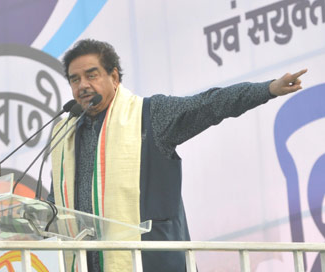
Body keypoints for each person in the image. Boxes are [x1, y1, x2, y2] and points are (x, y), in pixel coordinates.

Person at [47, 39, 307, 272]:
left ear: (114, 77)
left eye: (91, 75)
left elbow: (210, 104)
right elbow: (55, 203)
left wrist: (268, 89)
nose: (83, 85)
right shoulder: (65, 136)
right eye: (75, 79)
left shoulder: (148, 116)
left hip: (151, 263)